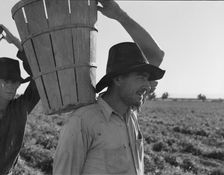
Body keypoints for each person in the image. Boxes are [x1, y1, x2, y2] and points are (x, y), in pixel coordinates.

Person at [53, 0, 165, 175]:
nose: (148, 86)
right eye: (141, 77)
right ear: (118, 79)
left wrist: (120, 15)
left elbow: (157, 55)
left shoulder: (131, 112)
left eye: (148, 79)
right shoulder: (82, 123)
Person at [0, 24, 39, 174]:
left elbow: (40, 72)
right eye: (5, 81)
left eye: (14, 82)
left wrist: (16, 42)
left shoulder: (21, 107)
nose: (10, 86)